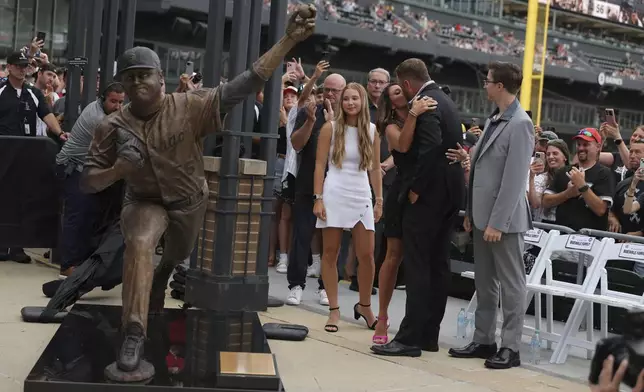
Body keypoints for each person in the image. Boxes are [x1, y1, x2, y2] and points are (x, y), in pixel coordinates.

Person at [80, 5, 316, 377]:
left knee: (174, 258)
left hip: (190, 203)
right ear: (120, 85)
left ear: (161, 78)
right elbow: (88, 180)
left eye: (145, 75)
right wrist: (117, 170)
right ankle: (134, 333)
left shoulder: (188, 105)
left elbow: (248, 82)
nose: (137, 83)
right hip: (144, 201)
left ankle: (160, 278)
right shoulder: (110, 125)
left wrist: (287, 40)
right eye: (129, 78)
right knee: (140, 243)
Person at [371, 58, 464, 357]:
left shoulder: (427, 102)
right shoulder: (445, 99)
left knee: (418, 265)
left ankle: (410, 338)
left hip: (428, 195)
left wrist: (416, 189)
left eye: (402, 88)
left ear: (408, 84)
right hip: (450, 193)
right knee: (438, 265)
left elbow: (431, 148)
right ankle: (428, 335)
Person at [448, 61, 534, 370]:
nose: (484, 85)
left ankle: (511, 347)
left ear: (500, 86)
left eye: (488, 82)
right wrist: (472, 213)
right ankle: (484, 340)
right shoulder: (494, 119)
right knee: (485, 284)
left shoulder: (520, 123)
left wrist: (498, 222)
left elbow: (513, 181)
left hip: (504, 222)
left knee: (511, 286)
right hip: (483, 218)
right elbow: (482, 172)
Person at [312, 83, 383, 333]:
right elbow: (320, 165)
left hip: (361, 193)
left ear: (362, 101)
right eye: (346, 99)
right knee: (330, 254)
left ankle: (365, 306)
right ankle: (334, 310)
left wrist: (379, 200)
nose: (350, 103)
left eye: (355, 98)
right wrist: (318, 197)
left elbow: (375, 168)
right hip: (334, 191)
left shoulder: (372, 130)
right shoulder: (329, 128)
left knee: (367, 256)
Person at [372, 83, 436, 344]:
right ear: (390, 101)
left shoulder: (423, 113)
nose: (401, 94)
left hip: (423, 189)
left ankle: (419, 321)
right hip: (401, 191)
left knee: (418, 257)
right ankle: (383, 316)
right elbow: (404, 146)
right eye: (394, 93)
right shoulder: (389, 126)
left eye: (402, 90)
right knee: (393, 255)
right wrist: (412, 115)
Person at [55, 82, 126, 278]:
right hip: (73, 168)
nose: (118, 106)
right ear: (103, 99)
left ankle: (82, 263)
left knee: (91, 217)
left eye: (121, 102)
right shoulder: (99, 119)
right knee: (76, 218)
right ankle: (67, 266)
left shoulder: (105, 112)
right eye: (113, 101)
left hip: (87, 169)